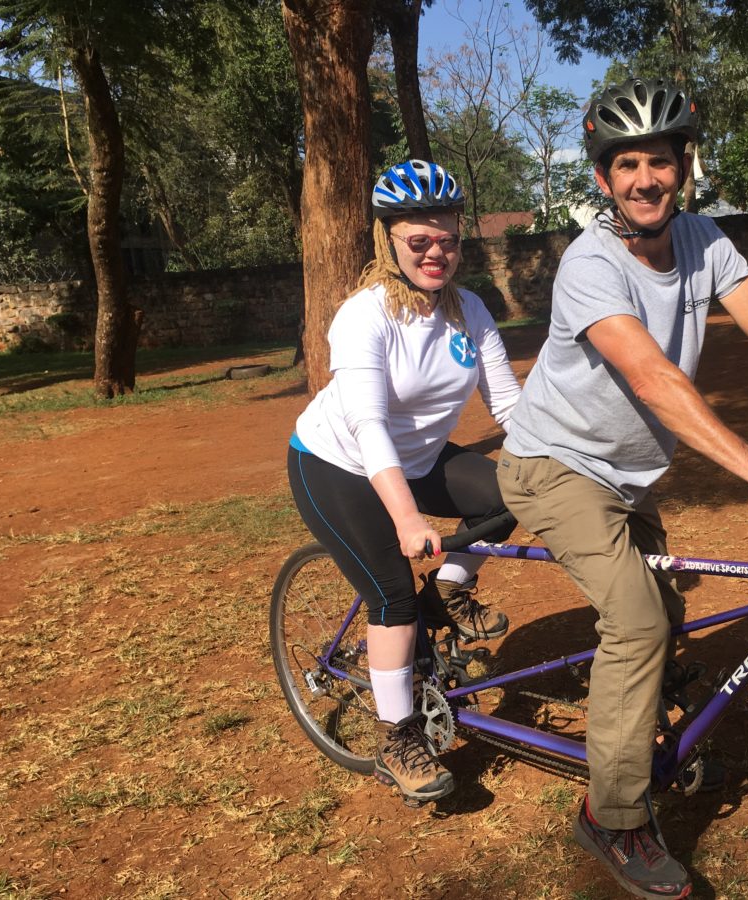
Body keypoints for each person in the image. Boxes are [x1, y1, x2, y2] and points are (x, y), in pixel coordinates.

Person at [496, 78, 748, 898]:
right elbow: (650, 375)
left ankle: (648, 725)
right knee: (638, 621)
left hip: (632, 478)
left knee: (665, 611)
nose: (646, 179)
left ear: (685, 167)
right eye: (627, 164)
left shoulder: (707, 241)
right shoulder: (588, 264)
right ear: (603, 178)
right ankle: (612, 816)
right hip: (553, 467)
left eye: (661, 162)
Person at [286, 159, 520, 805]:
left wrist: (569, 462)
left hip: (417, 459)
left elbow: (509, 407)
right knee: (391, 593)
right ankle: (399, 738)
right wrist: (409, 521)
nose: (435, 253)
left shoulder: (469, 310)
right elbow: (367, 425)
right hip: (337, 463)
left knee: (511, 494)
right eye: (419, 241)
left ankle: (446, 595)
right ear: (390, 240)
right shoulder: (364, 316)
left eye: (446, 239)